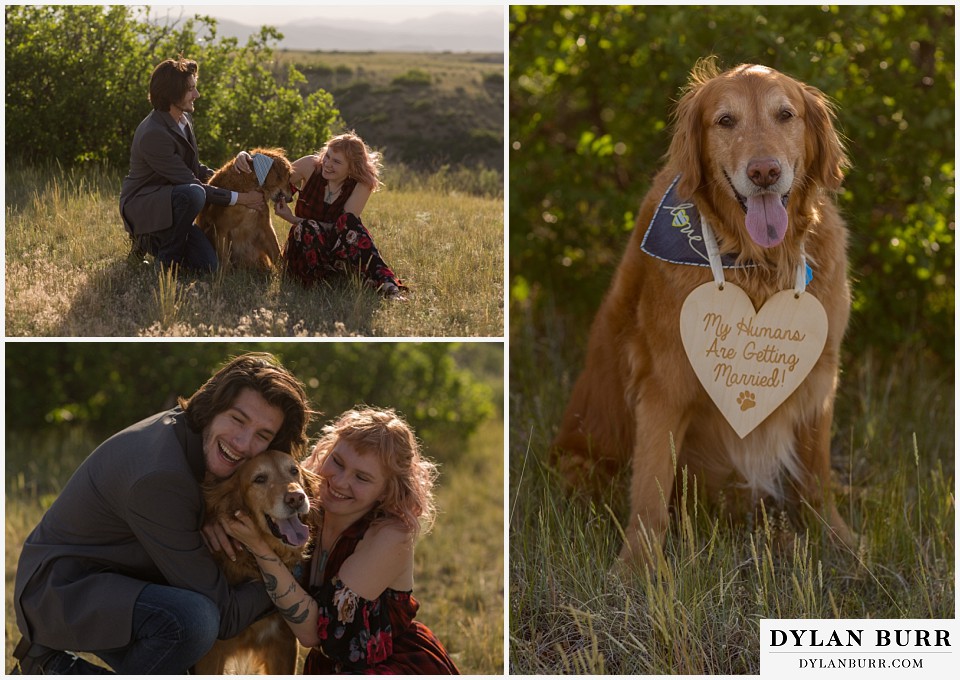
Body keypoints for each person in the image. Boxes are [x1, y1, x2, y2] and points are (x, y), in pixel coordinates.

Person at [11, 353, 312, 674]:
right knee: (195, 621)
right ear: (212, 408)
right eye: (237, 419)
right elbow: (226, 617)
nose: (242, 442)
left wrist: (209, 516)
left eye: (263, 436)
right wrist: (288, 574)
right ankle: (46, 668)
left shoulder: (199, 443)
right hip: (62, 592)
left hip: (123, 580)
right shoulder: (159, 477)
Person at [220, 407, 460, 674]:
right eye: (337, 462)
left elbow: (315, 634)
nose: (341, 482)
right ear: (325, 451)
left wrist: (260, 548)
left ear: (386, 490)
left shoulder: (390, 535)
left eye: (362, 477)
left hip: (391, 667)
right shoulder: (310, 510)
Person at [119, 56, 264, 273]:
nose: (197, 95)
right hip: (146, 208)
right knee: (194, 194)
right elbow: (191, 183)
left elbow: (195, 169)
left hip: (173, 205)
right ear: (171, 93)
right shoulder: (154, 134)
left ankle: (154, 245)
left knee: (209, 267)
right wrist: (242, 198)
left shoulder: (183, 119)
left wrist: (232, 176)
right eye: (190, 90)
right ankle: (163, 259)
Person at [235, 132, 406, 299]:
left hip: (336, 250)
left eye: (337, 162)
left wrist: (292, 219)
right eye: (328, 156)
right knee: (307, 228)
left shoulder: (361, 184)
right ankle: (315, 284)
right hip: (305, 245)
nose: (328, 164)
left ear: (351, 168)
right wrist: (245, 156)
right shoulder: (310, 166)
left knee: (350, 223)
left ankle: (387, 285)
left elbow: (341, 229)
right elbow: (273, 175)